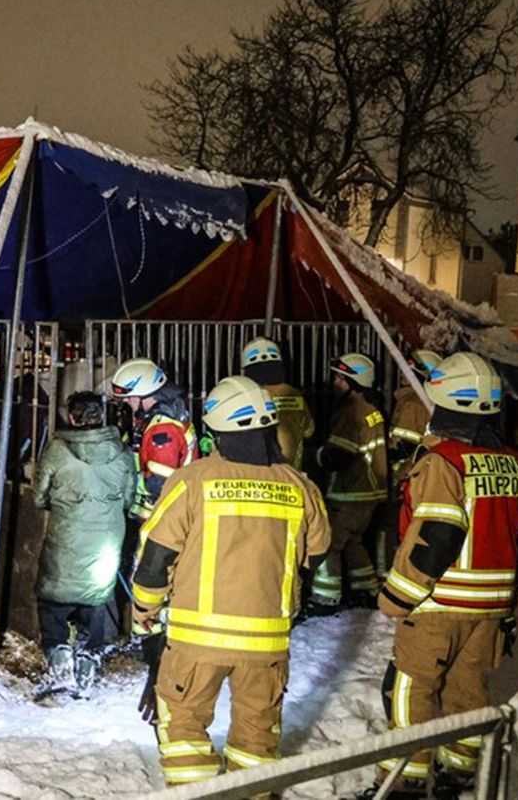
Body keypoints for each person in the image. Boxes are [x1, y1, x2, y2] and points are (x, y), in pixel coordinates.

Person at [131, 376, 331, 788]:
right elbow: (317, 553)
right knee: (256, 743)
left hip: (195, 640)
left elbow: (155, 559)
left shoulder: (192, 481)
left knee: (184, 732)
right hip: (267, 644)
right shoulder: (299, 486)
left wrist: (144, 611)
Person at [363, 352, 518, 799]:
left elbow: (435, 538)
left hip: (438, 607)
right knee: (469, 692)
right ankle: (460, 774)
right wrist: (507, 596)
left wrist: (396, 599)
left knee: (409, 691)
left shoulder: (444, 462)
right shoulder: (517, 465)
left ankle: (405, 781)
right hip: (491, 609)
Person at [31, 392, 137, 694]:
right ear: (102, 416)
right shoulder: (122, 452)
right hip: (106, 539)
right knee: (96, 595)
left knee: (53, 597)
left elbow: (39, 497)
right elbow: (129, 499)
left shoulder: (56, 450)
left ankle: (60, 656)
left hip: (66, 535)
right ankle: (89, 659)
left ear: (73, 417)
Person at [307, 352, 388, 613]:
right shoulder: (373, 411)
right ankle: (366, 590)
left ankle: (326, 597)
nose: (335, 383)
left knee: (330, 544)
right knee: (354, 543)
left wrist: (313, 454)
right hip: (371, 493)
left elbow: (337, 457)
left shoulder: (350, 414)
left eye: (340, 378)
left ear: (354, 382)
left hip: (349, 494)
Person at [377, 349, 442, 581]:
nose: (404, 375)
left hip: (403, 478)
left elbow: (403, 446)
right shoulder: (425, 402)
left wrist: (382, 457)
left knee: (391, 529)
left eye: (409, 372)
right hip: (418, 479)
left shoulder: (412, 404)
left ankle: (389, 576)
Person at [109, 357, 198, 522]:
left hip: (158, 514)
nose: (125, 401)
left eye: (129, 397)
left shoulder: (162, 431)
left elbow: (158, 484)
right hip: (157, 511)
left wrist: (119, 478)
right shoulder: (158, 417)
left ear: (146, 394)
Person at [239, 337, 315, 470]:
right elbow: (309, 431)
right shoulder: (294, 394)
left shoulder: (246, 395)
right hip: (292, 475)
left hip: (256, 475)